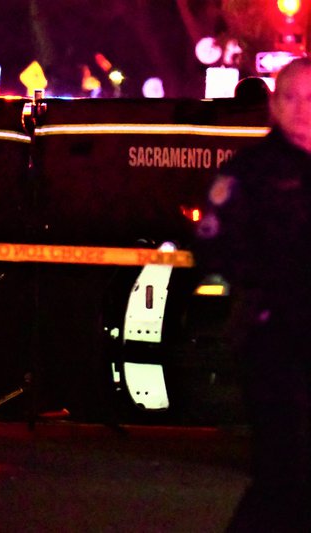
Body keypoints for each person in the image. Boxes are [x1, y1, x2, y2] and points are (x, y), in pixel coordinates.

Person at [195, 58, 311, 532]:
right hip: (276, 338)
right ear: (273, 106)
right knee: (284, 469)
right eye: (290, 98)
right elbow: (212, 246)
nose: (301, 110)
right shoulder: (251, 173)